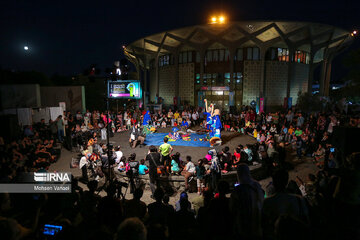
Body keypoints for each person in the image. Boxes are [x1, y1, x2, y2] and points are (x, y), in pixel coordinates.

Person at [262, 169, 309, 239]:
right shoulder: (299, 200)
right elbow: (307, 222)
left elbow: (264, 227)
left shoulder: (266, 202)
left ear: (273, 183)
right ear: (286, 182)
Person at [230, 163, 264, 239]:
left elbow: (232, 207)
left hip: (243, 223)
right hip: (256, 220)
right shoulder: (256, 186)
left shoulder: (237, 190)